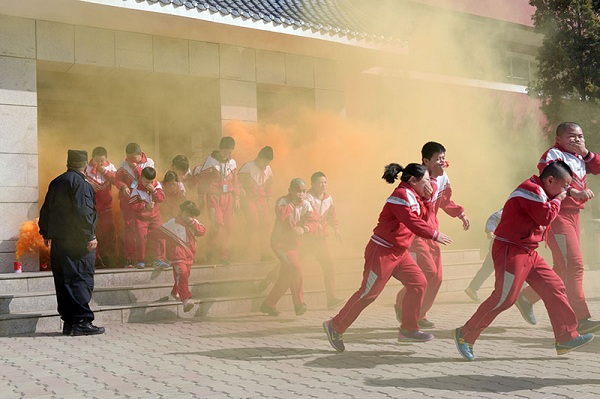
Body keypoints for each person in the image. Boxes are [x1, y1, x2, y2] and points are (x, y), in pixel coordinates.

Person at [454, 161, 594, 361]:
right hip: (510, 250)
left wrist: (569, 192)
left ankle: (566, 337)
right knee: (504, 299)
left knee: (555, 286)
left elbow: (557, 193)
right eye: (564, 186)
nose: (565, 191)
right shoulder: (530, 191)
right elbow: (545, 217)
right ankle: (465, 334)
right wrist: (560, 199)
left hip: (529, 251)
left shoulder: (544, 187)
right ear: (550, 180)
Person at [323, 163, 452, 352]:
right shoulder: (400, 196)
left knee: (419, 283)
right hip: (382, 252)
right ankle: (335, 326)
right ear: (412, 180)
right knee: (368, 294)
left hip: (400, 253)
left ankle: (408, 329)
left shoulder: (414, 195)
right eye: (425, 180)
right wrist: (434, 234)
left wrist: (428, 197)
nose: (428, 184)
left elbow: (422, 217)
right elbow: (413, 222)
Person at [515, 122, 600, 334]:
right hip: (558, 215)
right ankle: (580, 318)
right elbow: (551, 179)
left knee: (563, 269)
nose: (577, 140)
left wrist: (587, 153)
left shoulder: (581, 156)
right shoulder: (553, 155)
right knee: (575, 266)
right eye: (571, 136)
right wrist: (573, 192)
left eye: (580, 136)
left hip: (574, 215)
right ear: (559, 138)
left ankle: (527, 297)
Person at [395, 142, 469, 329]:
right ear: (426, 161)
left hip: (433, 233)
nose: (442, 161)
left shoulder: (443, 178)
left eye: (443, 157)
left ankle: (420, 314)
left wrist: (460, 214)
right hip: (417, 233)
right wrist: (432, 181)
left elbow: (445, 201)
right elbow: (418, 205)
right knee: (428, 273)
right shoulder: (417, 179)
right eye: (438, 158)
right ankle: (403, 305)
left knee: (437, 278)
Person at [39, 149, 104, 336]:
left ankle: (69, 322)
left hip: (59, 241)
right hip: (77, 242)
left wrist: (45, 232)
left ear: (68, 163)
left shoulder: (57, 182)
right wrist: (90, 235)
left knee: (64, 281)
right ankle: (81, 321)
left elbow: (46, 210)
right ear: (85, 165)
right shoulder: (82, 184)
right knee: (80, 278)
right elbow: (84, 213)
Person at [259, 178, 319, 317]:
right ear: (290, 191)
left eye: (304, 191)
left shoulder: (307, 205)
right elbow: (283, 216)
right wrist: (294, 204)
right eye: (298, 191)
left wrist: (304, 229)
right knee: (296, 268)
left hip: (294, 245)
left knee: (286, 276)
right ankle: (299, 304)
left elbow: (315, 222)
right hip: (279, 244)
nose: (301, 195)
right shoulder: (282, 202)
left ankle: (269, 304)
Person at [193, 137, 239, 264]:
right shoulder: (211, 161)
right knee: (218, 224)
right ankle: (210, 251)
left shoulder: (232, 163)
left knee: (229, 226)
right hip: (213, 197)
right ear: (220, 148)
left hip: (228, 197)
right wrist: (201, 197)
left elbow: (235, 181)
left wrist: (237, 197)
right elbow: (202, 180)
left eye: (230, 152)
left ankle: (224, 255)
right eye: (226, 151)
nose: (228, 154)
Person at [156, 200, 206, 312]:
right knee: (182, 274)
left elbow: (202, 231)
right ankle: (185, 300)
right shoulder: (173, 223)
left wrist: (192, 223)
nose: (188, 216)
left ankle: (175, 292)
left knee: (184, 276)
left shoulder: (194, 222)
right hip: (177, 256)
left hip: (189, 256)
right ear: (181, 211)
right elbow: (159, 231)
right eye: (186, 213)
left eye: (191, 214)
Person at [304, 172, 344, 308]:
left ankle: (331, 299)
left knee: (329, 265)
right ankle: (268, 280)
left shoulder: (329, 198)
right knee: (290, 264)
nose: (323, 185)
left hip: (320, 240)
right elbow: (310, 216)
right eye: (320, 183)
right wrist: (316, 225)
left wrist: (336, 228)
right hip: (306, 239)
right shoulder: (307, 198)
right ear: (313, 184)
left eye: (325, 182)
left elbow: (332, 215)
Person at [115, 143, 154, 268]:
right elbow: (117, 179)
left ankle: (147, 257)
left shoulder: (149, 163)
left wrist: (136, 167)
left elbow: (147, 178)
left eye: (133, 157)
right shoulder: (123, 164)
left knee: (146, 230)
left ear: (140, 154)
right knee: (129, 228)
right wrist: (123, 186)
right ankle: (130, 258)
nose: (130, 160)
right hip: (127, 201)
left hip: (143, 201)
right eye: (128, 157)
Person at [238, 146, 274, 262]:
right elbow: (237, 181)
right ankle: (243, 250)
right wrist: (239, 191)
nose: (265, 165)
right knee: (254, 222)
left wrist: (269, 198)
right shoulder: (248, 167)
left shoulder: (268, 169)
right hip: (249, 199)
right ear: (259, 157)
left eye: (268, 162)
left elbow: (269, 185)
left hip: (262, 200)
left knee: (267, 225)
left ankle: (264, 252)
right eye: (264, 161)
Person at [84, 146, 117, 269]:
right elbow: (80, 180)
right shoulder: (86, 168)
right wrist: (89, 184)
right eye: (97, 160)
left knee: (108, 231)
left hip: (106, 205)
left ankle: (106, 254)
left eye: (102, 160)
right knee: (93, 232)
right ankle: (95, 257)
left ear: (106, 159)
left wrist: (104, 171)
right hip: (91, 206)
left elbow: (117, 180)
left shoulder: (111, 167)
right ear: (92, 159)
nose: (100, 163)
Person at [128, 167, 165, 269]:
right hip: (141, 218)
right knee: (141, 239)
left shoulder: (156, 185)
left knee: (160, 236)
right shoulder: (136, 188)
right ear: (141, 178)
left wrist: (153, 191)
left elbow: (161, 198)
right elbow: (132, 204)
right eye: (146, 182)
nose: (149, 184)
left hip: (155, 217)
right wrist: (144, 206)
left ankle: (159, 259)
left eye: (151, 182)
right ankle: (141, 261)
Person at [464, 209, 502, 302]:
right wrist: (490, 231)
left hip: (506, 248)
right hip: (499, 247)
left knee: (488, 269)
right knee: (492, 269)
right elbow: (493, 218)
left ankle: (472, 288)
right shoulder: (509, 209)